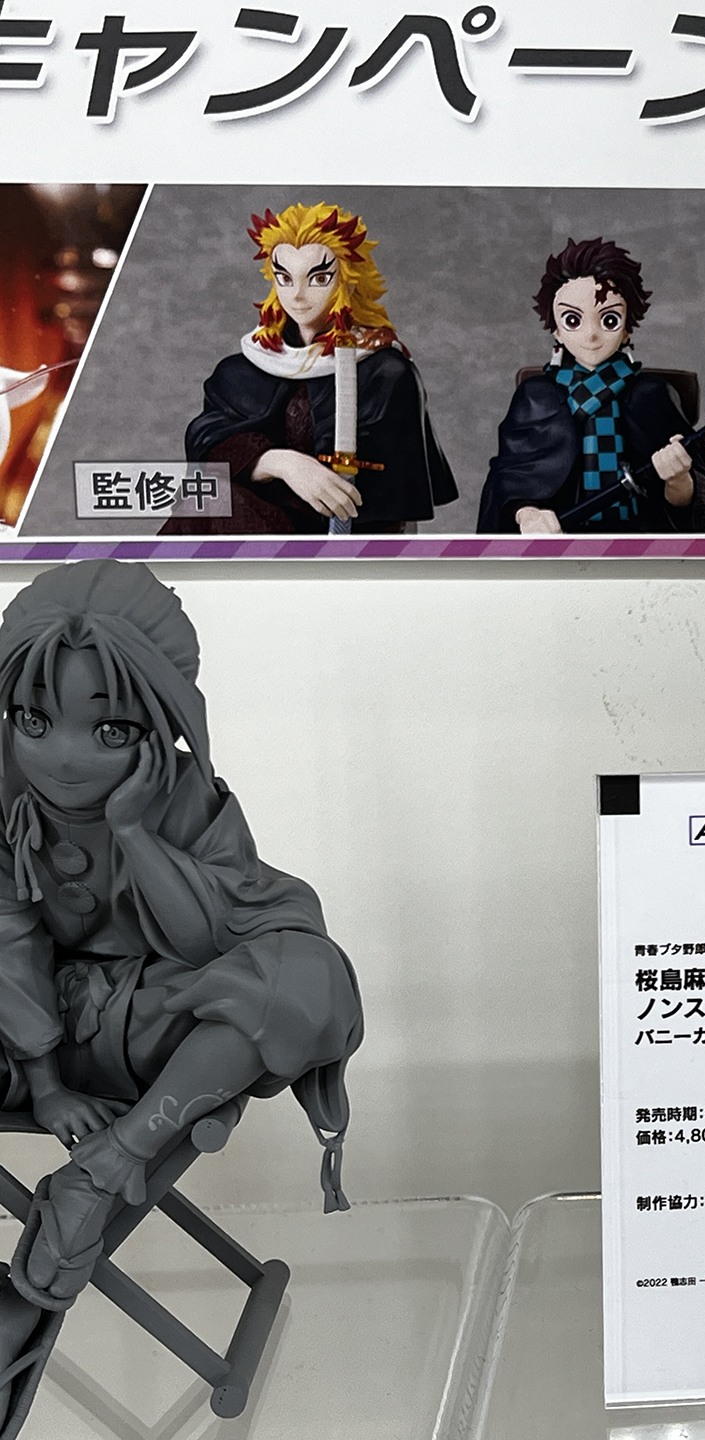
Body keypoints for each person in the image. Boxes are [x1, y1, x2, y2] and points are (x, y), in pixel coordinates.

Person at [0, 560, 360, 1435]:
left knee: (304, 977)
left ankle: (108, 1167)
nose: (63, 755)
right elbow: (9, 936)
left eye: (108, 728)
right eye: (34, 721)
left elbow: (205, 943)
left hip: (156, 1030)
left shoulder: (186, 795)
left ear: (160, 721)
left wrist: (132, 831)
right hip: (23, 1033)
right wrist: (45, 1084)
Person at [171, 203, 457, 535]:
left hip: (339, 540)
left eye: (319, 278)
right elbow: (208, 444)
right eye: (285, 278)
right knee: (209, 500)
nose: (298, 295)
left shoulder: (383, 373)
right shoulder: (241, 370)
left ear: (349, 280)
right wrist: (281, 463)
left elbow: (397, 500)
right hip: (251, 527)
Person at [477, 237, 705, 534]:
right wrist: (528, 514)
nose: (592, 335)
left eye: (609, 320)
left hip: (639, 542)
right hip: (558, 543)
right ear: (556, 329)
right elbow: (508, 479)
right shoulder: (536, 397)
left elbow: (696, 504)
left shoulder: (650, 395)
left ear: (626, 330)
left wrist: (678, 479)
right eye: (573, 320)